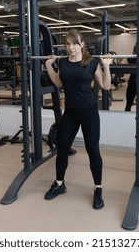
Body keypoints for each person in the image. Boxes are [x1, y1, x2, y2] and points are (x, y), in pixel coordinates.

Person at [44, 29, 112, 209]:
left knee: (93, 150)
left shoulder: (91, 63)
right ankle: (59, 184)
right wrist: (49, 66)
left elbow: (105, 86)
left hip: (89, 112)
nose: (71, 47)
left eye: (74, 43)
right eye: (67, 44)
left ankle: (98, 188)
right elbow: (58, 83)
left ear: (82, 44)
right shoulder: (64, 64)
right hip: (71, 113)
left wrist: (107, 66)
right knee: (62, 147)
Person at [125, 44, 137, 111]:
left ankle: (127, 114)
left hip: (132, 81)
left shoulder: (130, 58)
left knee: (129, 103)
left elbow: (123, 64)